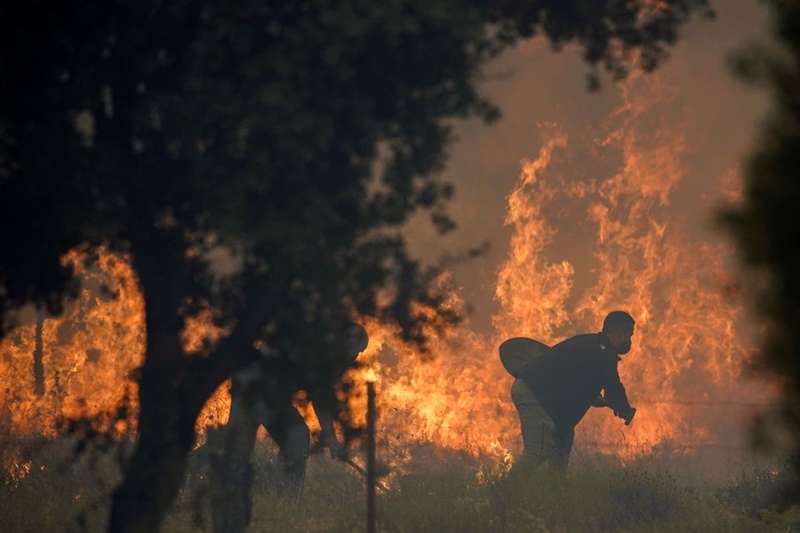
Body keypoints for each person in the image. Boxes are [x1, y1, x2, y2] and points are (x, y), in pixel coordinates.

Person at [510, 310, 637, 475]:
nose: (629, 341)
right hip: (535, 394)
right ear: (622, 333)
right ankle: (501, 492)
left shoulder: (591, 346)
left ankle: (556, 495)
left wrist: (593, 397)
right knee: (537, 452)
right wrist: (625, 410)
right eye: (630, 336)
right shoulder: (603, 353)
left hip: (548, 402)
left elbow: (576, 380)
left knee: (561, 451)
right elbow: (614, 388)